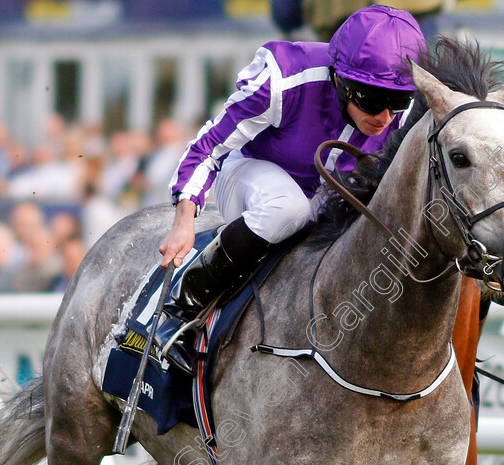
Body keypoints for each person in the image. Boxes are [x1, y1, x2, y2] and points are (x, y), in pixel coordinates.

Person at [159, 5, 425, 374]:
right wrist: (183, 220)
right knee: (290, 208)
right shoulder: (284, 77)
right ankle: (181, 308)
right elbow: (209, 146)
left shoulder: (403, 115)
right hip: (249, 171)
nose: (384, 117)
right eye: (371, 100)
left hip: (326, 194)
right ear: (340, 81)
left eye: (397, 102)